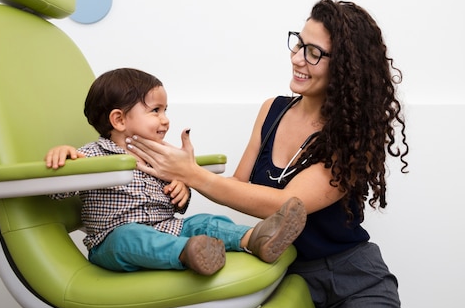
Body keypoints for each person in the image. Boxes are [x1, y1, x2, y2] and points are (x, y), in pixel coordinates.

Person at [125, 0, 409, 308]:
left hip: (351, 283)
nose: (297, 58)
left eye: (313, 52)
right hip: (282, 277)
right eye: (298, 43)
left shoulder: (353, 133)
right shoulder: (271, 110)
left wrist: (193, 175)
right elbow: (239, 186)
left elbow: (288, 205)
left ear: (345, 67)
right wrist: (180, 177)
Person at [45, 68, 306, 276]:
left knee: (202, 222)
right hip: (113, 240)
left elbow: (178, 206)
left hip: (166, 227)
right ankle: (190, 253)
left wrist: (181, 189)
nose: (165, 119)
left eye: (165, 110)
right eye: (155, 111)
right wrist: (64, 157)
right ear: (119, 120)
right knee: (131, 237)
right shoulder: (92, 155)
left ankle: (255, 239)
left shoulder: (162, 156)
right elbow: (58, 194)